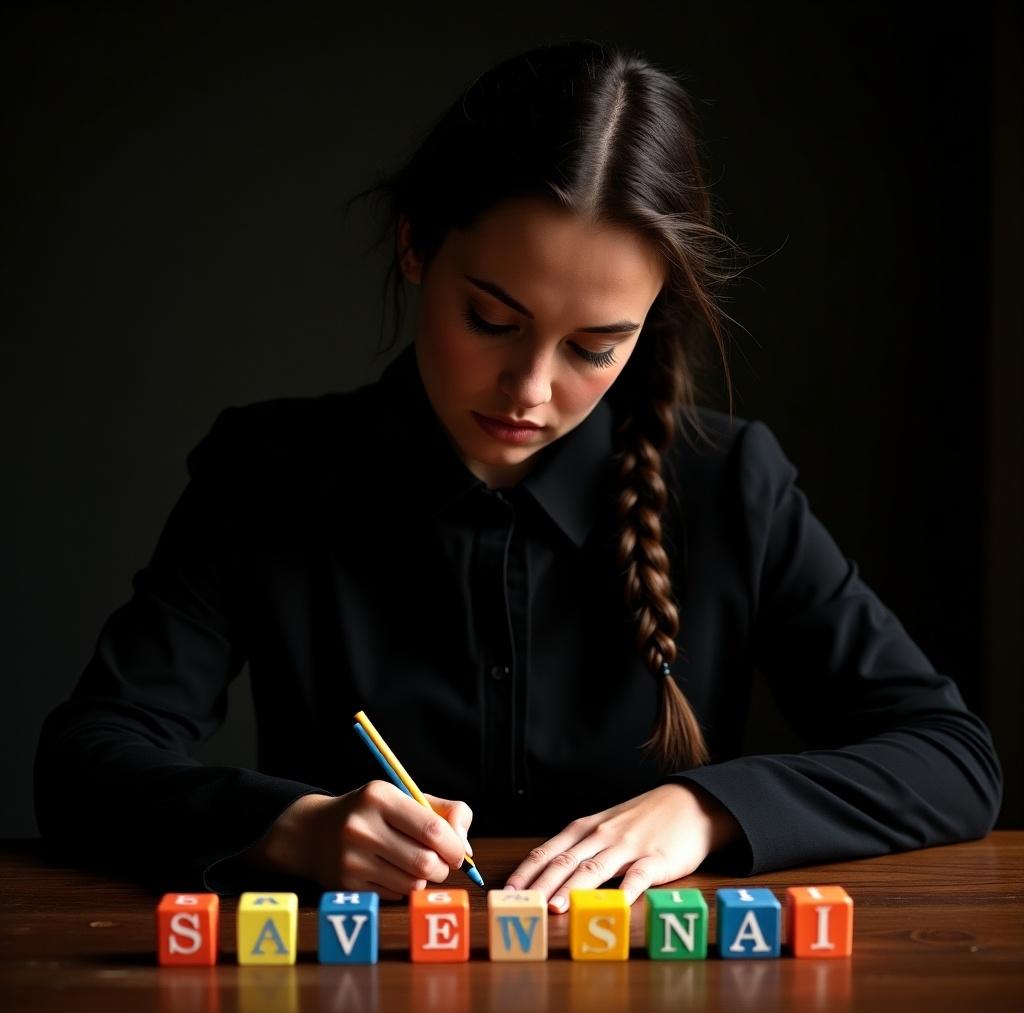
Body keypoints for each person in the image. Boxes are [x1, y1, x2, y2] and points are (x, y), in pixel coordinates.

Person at [34, 39, 1001, 912]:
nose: (530, 390)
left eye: (595, 347)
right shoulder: (269, 473)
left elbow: (952, 758)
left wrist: (704, 810)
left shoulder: (730, 483)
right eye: (492, 322)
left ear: (650, 317)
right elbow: (86, 762)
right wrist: (297, 828)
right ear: (416, 245)